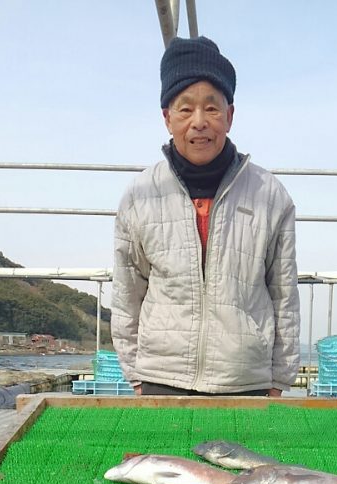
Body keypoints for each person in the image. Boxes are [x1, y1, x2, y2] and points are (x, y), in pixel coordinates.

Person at [111, 36, 300, 397]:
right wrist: (136, 374)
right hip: (162, 379)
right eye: (185, 109)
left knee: (252, 458)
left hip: (246, 382)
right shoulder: (139, 195)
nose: (199, 122)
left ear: (229, 116)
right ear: (167, 118)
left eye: (212, 108)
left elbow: (284, 294)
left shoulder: (271, 195)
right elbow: (126, 294)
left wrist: (280, 380)